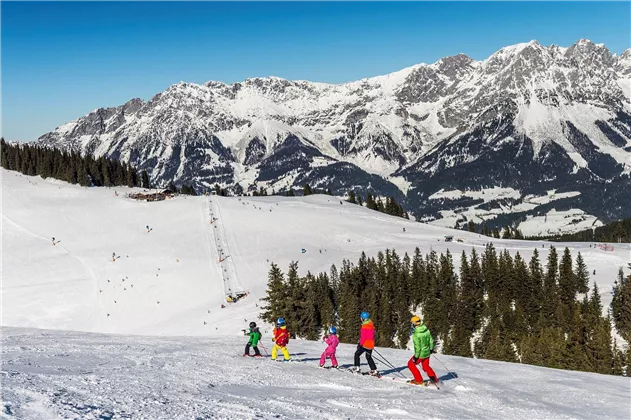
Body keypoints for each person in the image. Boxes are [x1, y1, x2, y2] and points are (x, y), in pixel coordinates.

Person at [407, 316, 439, 385]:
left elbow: (418, 348)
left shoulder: (416, 334)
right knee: (426, 366)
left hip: (421, 354)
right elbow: (431, 340)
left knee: (410, 364)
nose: (411, 325)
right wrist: (431, 349)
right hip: (427, 352)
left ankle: (418, 380)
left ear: (415, 324)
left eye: (412, 323)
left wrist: (416, 357)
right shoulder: (426, 329)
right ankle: (434, 379)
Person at [352, 311, 379, 375]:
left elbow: (363, 337)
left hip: (365, 344)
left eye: (361, 318)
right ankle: (374, 370)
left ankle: (357, 368)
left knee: (357, 354)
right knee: (368, 357)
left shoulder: (364, 326)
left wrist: (360, 344)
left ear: (363, 318)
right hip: (371, 345)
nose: (361, 319)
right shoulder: (371, 324)